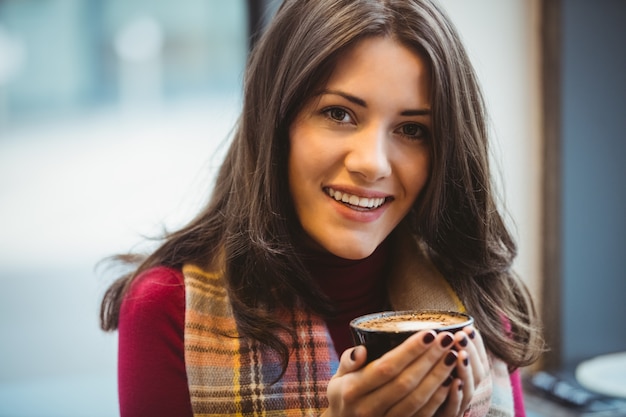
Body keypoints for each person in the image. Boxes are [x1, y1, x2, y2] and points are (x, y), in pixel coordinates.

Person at [100, 0, 544, 416]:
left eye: (411, 129)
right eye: (338, 114)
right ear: (276, 122)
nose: (371, 163)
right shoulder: (168, 306)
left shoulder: (477, 297)